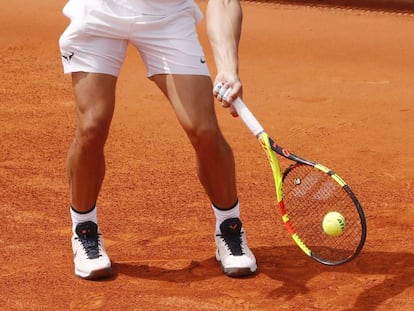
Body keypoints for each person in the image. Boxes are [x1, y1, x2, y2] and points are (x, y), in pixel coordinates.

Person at [59, 0, 257, 280]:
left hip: (168, 15)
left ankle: (230, 227)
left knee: (204, 131)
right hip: (100, 11)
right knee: (92, 126)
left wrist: (227, 67)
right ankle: (84, 230)